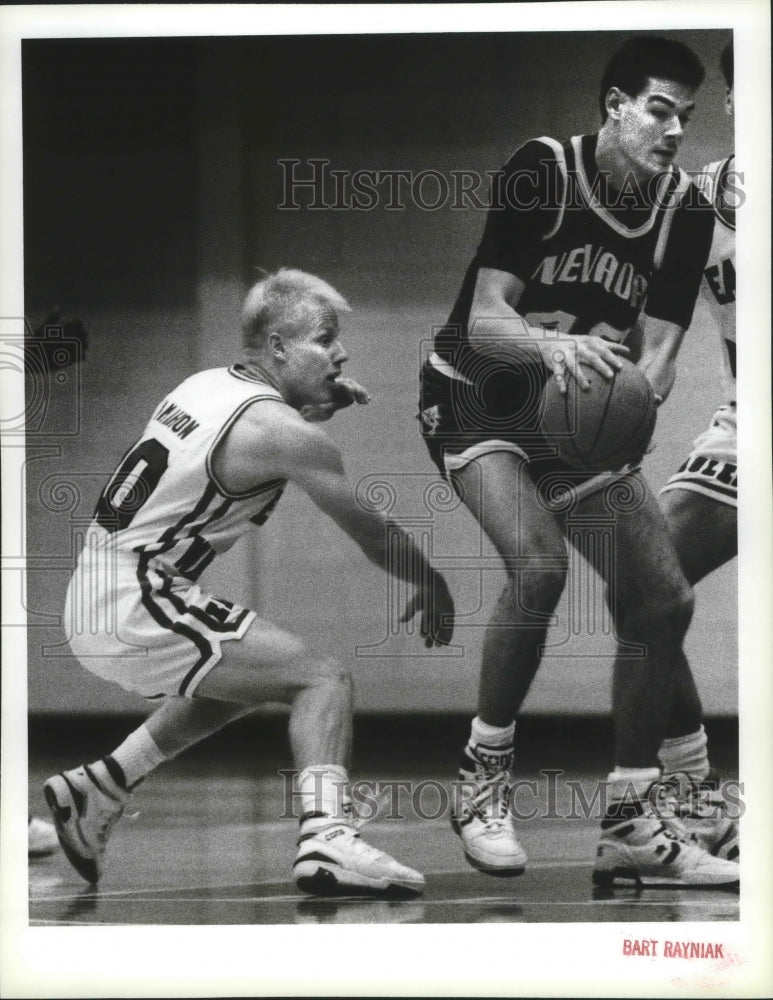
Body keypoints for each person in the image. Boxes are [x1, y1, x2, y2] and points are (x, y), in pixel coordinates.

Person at [418, 36, 739, 888]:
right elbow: (484, 316)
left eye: (686, 116)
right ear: (614, 108)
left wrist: (641, 398)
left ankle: (632, 820)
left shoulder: (685, 209)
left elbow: (660, 353)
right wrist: (549, 348)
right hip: (475, 395)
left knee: (659, 597)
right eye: (658, 109)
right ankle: (483, 779)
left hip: (574, 418)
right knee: (538, 564)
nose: (673, 130)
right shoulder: (543, 169)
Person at [44, 268, 454, 897]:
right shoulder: (283, 433)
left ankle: (102, 785)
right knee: (322, 677)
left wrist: (314, 403)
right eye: (325, 337)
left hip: (99, 589)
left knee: (252, 679)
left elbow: (247, 438)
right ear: (279, 348)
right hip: (135, 596)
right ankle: (327, 838)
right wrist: (430, 580)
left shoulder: (204, 385)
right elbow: (371, 531)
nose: (341, 352)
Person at [657, 42, 739, 859]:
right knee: (647, 586)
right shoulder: (701, 199)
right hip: (749, 422)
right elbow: (651, 329)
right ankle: (698, 799)